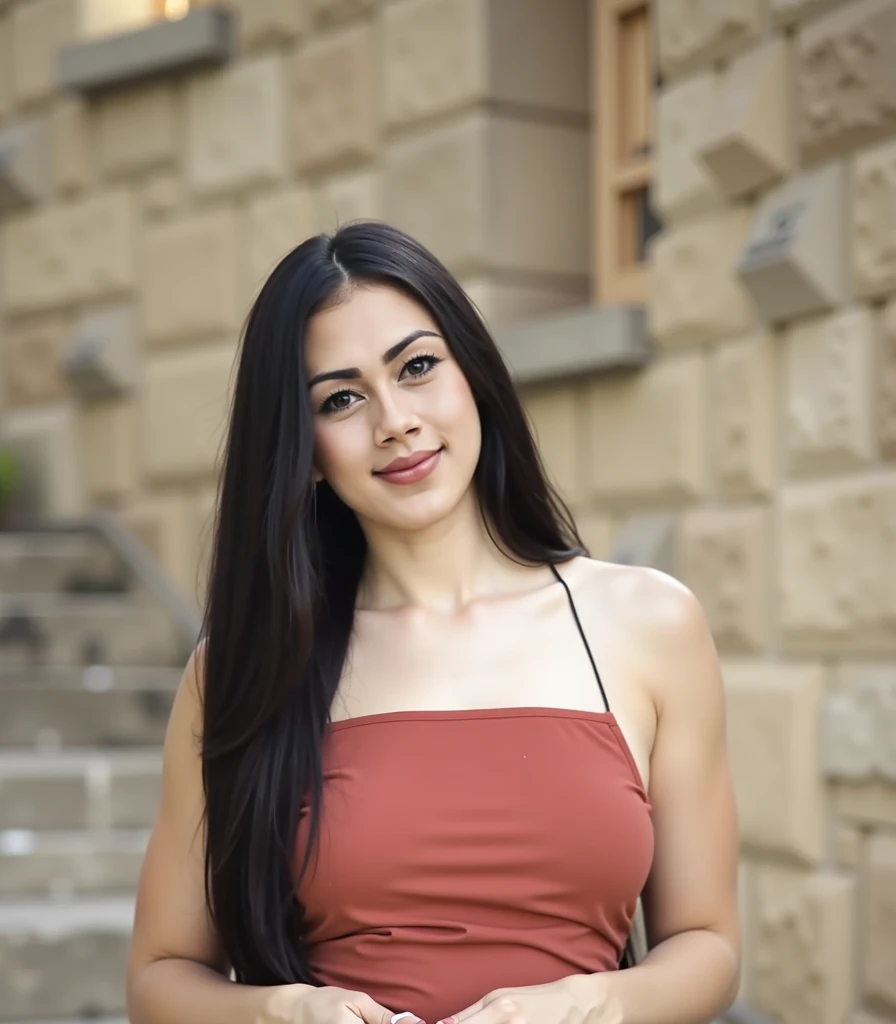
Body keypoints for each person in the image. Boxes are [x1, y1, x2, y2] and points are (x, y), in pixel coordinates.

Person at [126, 222, 740, 1024]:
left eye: (417, 367)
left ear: (473, 376)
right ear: (304, 448)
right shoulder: (245, 668)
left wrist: (596, 1005)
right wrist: (283, 1015)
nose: (395, 422)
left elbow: (708, 943)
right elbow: (159, 977)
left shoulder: (648, 624)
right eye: (340, 398)